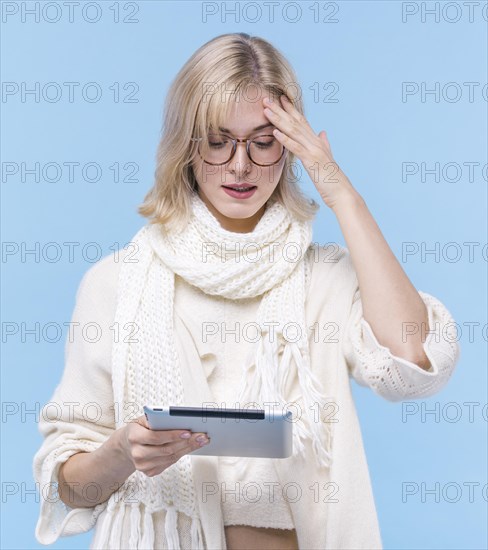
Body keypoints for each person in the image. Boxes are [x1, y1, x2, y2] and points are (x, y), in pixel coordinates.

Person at [32, 32, 460, 550]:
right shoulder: (118, 283)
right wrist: (122, 451)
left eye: (263, 142)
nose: (240, 166)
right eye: (218, 141)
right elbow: (71, 488)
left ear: (290, 145)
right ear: (186, 146)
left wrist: (340, 192)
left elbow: (413, 366)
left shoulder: (323, 278)